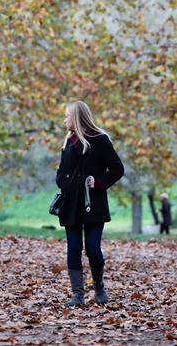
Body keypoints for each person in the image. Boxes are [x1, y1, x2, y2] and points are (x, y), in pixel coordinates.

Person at [56, 101, 124, 307]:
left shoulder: (100, 140)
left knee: (93, 249)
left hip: (93, 203)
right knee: (73, 248)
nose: (65, 119)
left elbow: (117, 169)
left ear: (77, 117)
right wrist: (63, 182)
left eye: (67, 115)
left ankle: (99, 286)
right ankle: (77, 294)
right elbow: (61, 171)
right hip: (70, 204)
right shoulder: (68, 140)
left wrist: (99, 182)